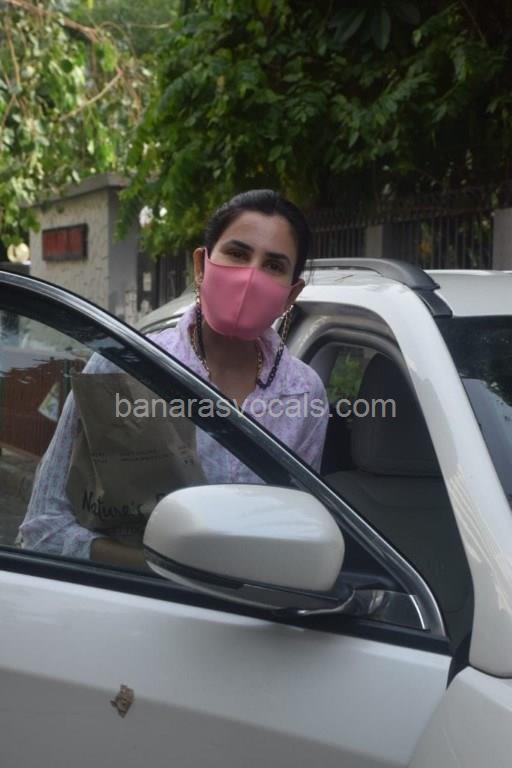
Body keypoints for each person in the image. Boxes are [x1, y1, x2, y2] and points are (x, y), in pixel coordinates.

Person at [19, 190, 329, 567]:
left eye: (273, 265)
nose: (251, 276)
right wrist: (161, 570)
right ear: (201, 265)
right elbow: (43, 528)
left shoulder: (304, 394)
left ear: (291, 294)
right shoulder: (124, 368)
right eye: (237, 254)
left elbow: (295, 539)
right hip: (129, 600)